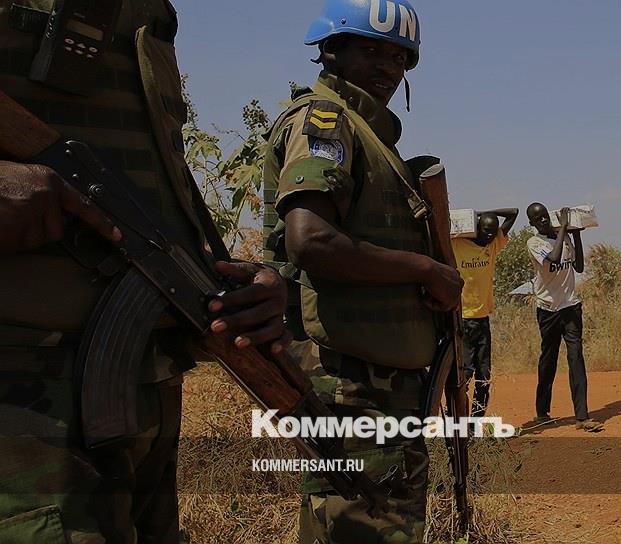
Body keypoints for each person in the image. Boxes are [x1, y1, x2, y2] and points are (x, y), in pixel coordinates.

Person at [0, 1, 290, 542]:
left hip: (144, 390)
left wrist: (225, 286)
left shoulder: (149, 10)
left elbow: (154, 184)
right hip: (25, 399)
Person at [261, 1, 463, 541]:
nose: (387, 68)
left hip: (373, 381)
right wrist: (426, 269)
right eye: (371, 51)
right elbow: (311, 240)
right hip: (351, 384)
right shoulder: (325, 121)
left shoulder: (368, 135)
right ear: (331, 51)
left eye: (399, 58)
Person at [525, 203, 603, 432]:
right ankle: (542, 412)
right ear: (532, 223)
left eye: (544, 216)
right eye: (538, 219)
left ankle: (582, 417)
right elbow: (555, 258)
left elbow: (578, 267)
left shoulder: (564, 237)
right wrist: (563, 229)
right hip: (548, 309)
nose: (543, 220)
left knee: (576, 357)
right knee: (548, 360)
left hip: (570, 306)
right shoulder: (534, 243)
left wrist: (576, 235)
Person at [451, 208, 518, 418]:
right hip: (461, 321)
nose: (490, 234)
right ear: (476, 228)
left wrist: (480, 214)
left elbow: (513, 213)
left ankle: (476, 424)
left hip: (482, 321)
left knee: (484, 377)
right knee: (464, 376)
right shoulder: (457, 244)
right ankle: (458, 423)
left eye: (493, 231)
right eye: (486, 230)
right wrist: (474, 217)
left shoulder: (493, 245)